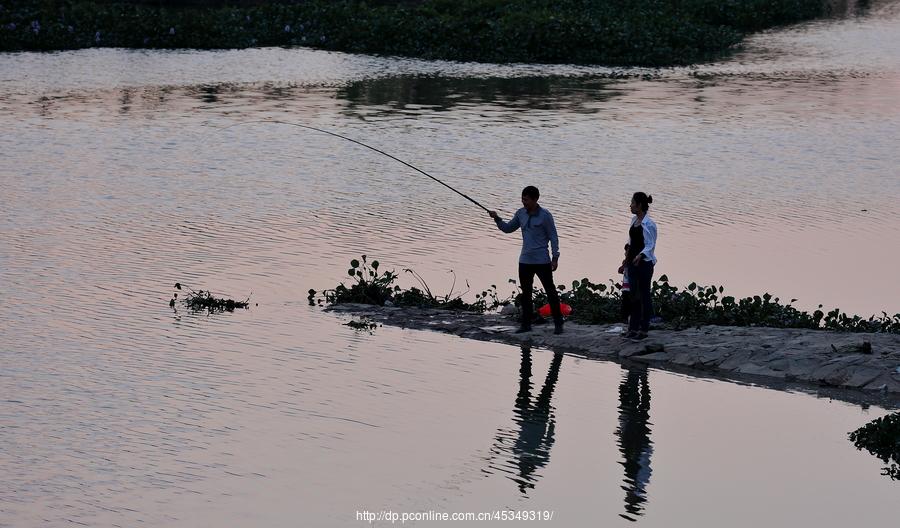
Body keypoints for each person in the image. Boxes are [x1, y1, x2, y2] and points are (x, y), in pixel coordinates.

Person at [488, 186, 564, 335]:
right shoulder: (520, 213)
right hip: (525, 261)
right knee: (526, 294)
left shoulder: (545, 216)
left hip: (542, 261)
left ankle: (558, 323)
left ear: (535, 199)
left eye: (527, 200)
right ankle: (526, 324)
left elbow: (553, 237)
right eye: (522, 199)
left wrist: (555, 258)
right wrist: (497, 218)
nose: (524, 202)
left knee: (551, 292)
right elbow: (508, 228)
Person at [625, 192, 657, 340]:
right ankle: (633, 328)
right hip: (632, 263)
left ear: (639, 205)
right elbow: (631, 243)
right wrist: (625, 260)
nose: (630, 205)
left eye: (632, 203)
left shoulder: (649, 224)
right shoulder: (633, 220)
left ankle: (644, 329)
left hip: (644, 264)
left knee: (644, 295)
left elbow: (650, 245)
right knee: (633, 296)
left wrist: (640, 256)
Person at [618, 244, 632, 326]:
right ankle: (624, 318)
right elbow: (620, 270)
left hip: (630, 287)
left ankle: (627, 318)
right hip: (625, 287)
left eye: (626, 252)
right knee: (625, 302)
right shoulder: (625, 261)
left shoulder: (632, 261)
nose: (625, 253)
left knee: (628, 303)